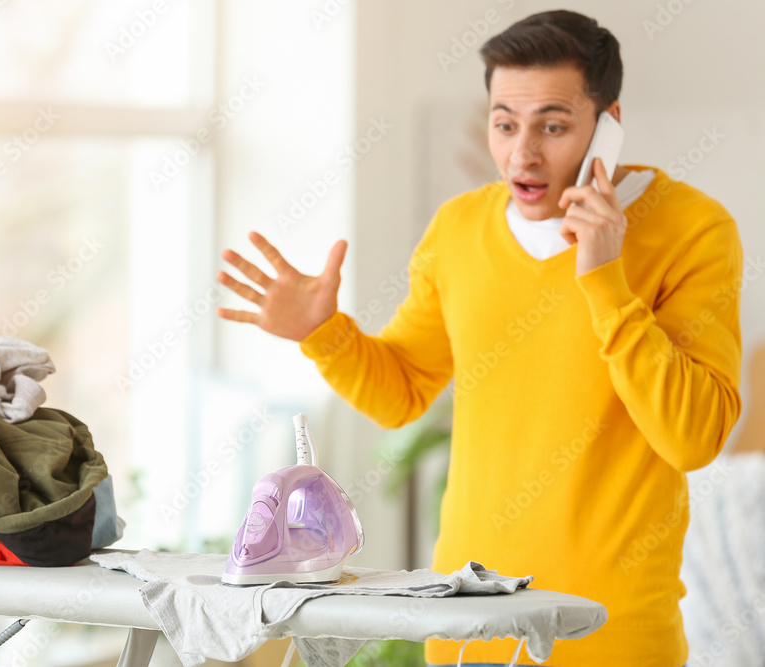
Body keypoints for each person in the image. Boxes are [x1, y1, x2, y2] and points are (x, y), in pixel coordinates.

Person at [215, 9, 740, 667]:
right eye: (504, 123)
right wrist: (321, 332)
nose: (523, 153)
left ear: (608, 124)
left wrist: (605, 278)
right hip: (467, 626)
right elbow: (401, 390)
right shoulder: (459, 230)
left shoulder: (693, 229)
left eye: (553, 125)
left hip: (613, 637)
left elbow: (694, 436)